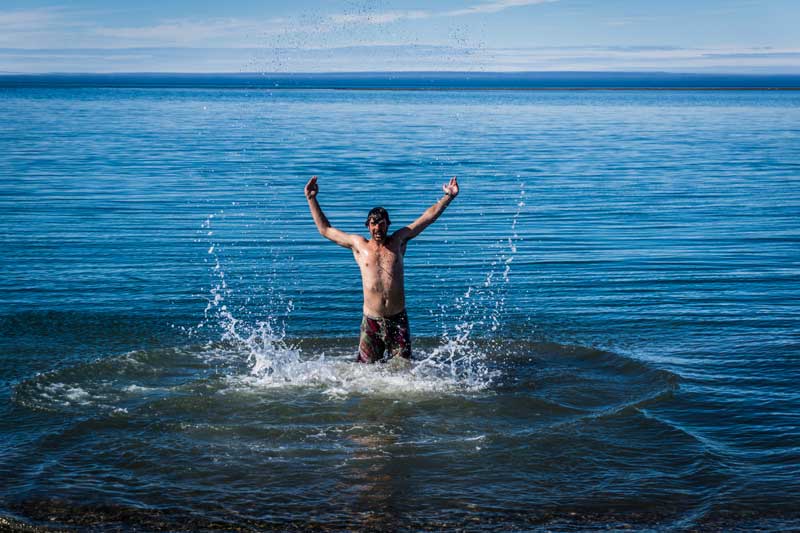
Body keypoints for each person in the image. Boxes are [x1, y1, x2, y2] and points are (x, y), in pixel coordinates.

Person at [304, 175, 459, 363]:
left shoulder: (399, 241)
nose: (378, 228)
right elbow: (326, 230)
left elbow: (427, 217)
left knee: (404, 368)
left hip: (398, 319)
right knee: (365, 372)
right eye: (373, 224)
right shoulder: (359, 245)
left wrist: (448, 197)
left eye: (382, 224)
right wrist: (311, 198)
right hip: (371, 321)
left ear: (388, 224)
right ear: (368, 226)